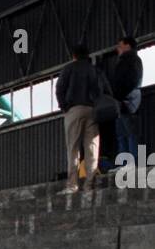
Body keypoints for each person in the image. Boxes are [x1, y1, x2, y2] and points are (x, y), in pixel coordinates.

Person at [56, 44, 107, 192]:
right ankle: (89, 184)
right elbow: (101, 90)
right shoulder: (95, 70)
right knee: (92, 147)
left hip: (74, 110)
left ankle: (72, 185)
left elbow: (59, 89)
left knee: (73, 148)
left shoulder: (69, 68)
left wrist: (64, 107)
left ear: (74, 56)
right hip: (92, 110)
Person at [111, 36, 144, 160]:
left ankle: (132, 161)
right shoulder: (129, 60)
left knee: (129, 132)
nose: (118, 48)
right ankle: (127, 162)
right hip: (124, 99)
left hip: (126, 99)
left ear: (128, 46)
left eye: (120, 45)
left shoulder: (131, 60)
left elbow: (130, 80)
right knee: (123, 133)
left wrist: (120, 97)